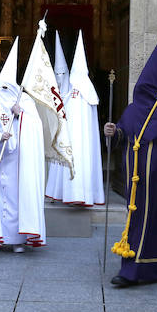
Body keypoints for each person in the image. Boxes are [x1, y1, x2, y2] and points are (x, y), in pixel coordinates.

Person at [103, 5, 157, 287]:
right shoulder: (135, 108)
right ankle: (138, 265)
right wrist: (112, 132)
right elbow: (124, 135)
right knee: (140, 220)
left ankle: (139, 270)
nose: (139, 94)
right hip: (135, 180)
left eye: (144, 89)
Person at [0, 37, 46, 252]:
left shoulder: (25, 104)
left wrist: (22, 117)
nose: (0, 90)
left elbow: (37, 129)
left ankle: (17, 241)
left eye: (5, 87)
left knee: (17, 201)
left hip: (19, 163)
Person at [61, 32, 104, 206]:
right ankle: (71, 194)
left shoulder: (89, 93)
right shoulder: (70, 93)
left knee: (84, 161)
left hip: (83, 140)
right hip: (72, 139)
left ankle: (84, 195)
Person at [44, 30, 71, 202]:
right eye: (57, 75)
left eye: (63, 75)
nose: (60, 78)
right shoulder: (48, 91)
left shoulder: (73, 95)